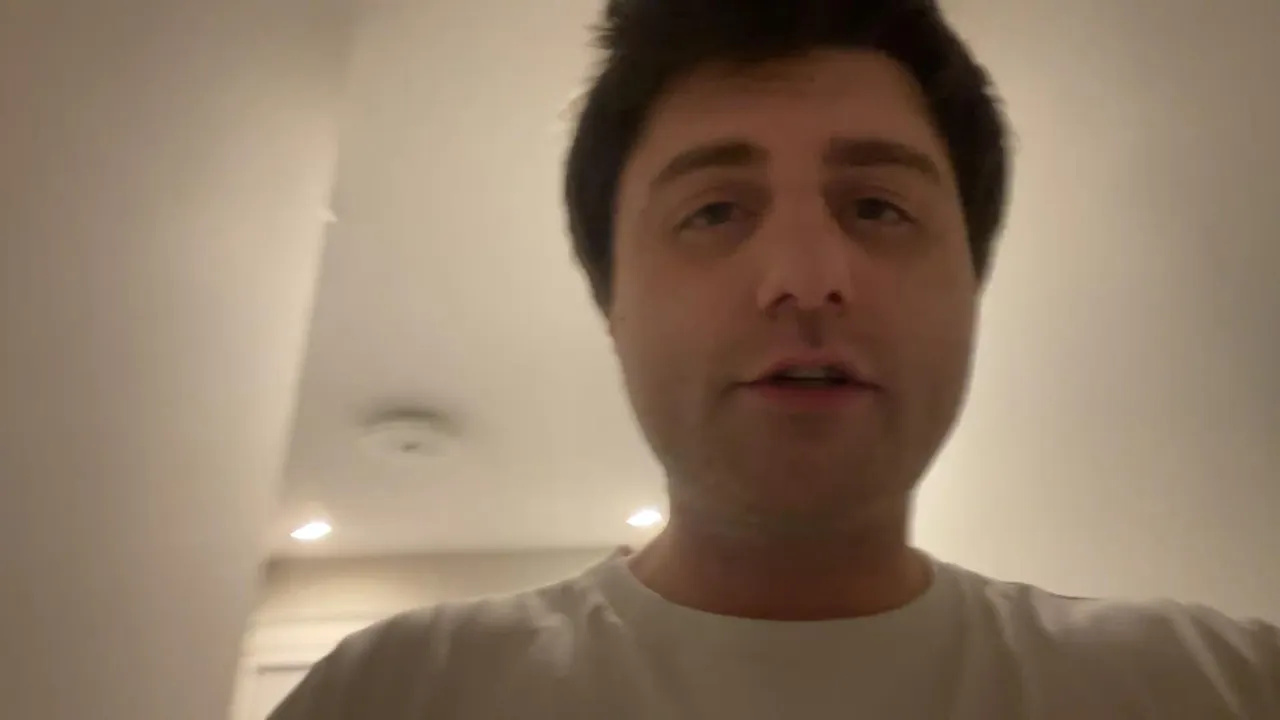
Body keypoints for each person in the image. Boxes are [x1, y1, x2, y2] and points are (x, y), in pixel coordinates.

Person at [268, 1, 1279, 717]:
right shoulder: (401, 694)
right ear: (611, 303)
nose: (805, 276)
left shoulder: (1214, 688)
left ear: (971, 284)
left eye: (876, 206)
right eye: (714, 211)